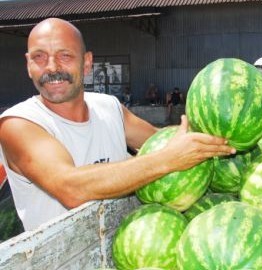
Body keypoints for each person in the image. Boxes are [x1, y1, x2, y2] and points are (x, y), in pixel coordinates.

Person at [0, 18, 235, 231]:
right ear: (28, 64)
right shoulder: (18, 124)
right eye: (39, 57)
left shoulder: (108, 107)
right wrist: (168, 159)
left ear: (87, 62)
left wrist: (222, 130)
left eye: (65, 55)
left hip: (121, 249)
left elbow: (161, 139)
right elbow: (70, 187)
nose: (52, 67)